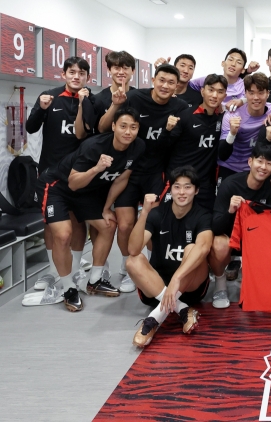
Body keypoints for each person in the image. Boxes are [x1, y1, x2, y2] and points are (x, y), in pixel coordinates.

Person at [32, 107, 145, 311]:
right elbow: (73, 183)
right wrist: (97, 168)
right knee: (64, 235)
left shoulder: (138, 147)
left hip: (86, 192)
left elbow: (122, 178)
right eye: (123, 126)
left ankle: (94, 279)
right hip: (58, 187)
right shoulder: (94, 146)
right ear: (113, 127)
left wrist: (105, 208)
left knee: (108, 225)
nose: (128, 132)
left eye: (133, 127)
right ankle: (68, 289)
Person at [100, 64, 190, 291]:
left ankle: (151, 265)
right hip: (128, 170)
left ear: (176, 86)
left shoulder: (179, 107)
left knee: (152, 222)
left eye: (171, 83)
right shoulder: (134, 97)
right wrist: (116, 103)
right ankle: (127, 266)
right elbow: (106, 127)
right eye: (162, 80)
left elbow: (177, 140)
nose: (165, 86)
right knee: (126, 223)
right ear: (153, 79)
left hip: (156, 172)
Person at [26, 56, 96, 292]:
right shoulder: (49, 97)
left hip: (79, 173)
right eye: (72, 72)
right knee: (52, 225)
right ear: (64, 74)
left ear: (88, 77)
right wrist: (40, 108)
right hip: (50, 173)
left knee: (78, 223)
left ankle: (74, 269)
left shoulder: (91, 100)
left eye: (82, 73)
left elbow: (91, 132)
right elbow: (31, 127)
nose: (77, 76)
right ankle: (52, 271)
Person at [127, 166, 213, 347]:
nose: (182, 192)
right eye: (177, 187)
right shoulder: (158, 213)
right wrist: (144, 213)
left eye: (187, 187)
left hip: (189, 288)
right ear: (170, 189)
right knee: (132, 260)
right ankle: (182, 309)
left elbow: (204, 247)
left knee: (193, 249)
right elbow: (133, 249)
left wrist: (177, 279)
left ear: (196, 190)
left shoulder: (203, 215)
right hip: (156, 288)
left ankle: (153, 319)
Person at [210, 143, 271, 309]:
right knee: (218, 244)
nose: (263, 167)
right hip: (232, 238)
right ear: (250, 162)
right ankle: (220, 286)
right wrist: (230, 210)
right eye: (260, 161)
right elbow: (215, 226)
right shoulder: (230, 184)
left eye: (269, 164)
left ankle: (256, 281)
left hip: (258, 240)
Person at [163, 74, 228, 210]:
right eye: (211, 90)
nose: (215, 95)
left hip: (205, 185)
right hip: (180, 180)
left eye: (220, 92)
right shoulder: (185, 116)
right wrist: (167, 130)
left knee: (205, 225)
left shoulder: (224, 119)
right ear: (202, 91)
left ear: (225, 95)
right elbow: (165, 146)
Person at [218, 72, 271, 185]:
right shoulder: (232, 115)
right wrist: (232, 133)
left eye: (261, 93)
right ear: (245, 93)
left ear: (268, 94)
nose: (256, 97)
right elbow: (223, 155)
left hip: (258, 170)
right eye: (251, 93)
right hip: (230, 167)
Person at [190, 48, 259, 111]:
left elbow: (257, 99)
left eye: (239, 62)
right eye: (230, 59)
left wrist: (242, 101)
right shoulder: (209, 80)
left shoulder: (245, 85)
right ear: (223, 63)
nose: (233, 64)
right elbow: (187, 85)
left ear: (243, 70)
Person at [94, 51, 136, 130]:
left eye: (125, 68)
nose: (121, 72)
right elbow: (101, 129)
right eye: (116, 68)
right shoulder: (98, 99)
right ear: (109, 70)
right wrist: (115, 105)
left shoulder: (138, 97)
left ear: (133, 71)